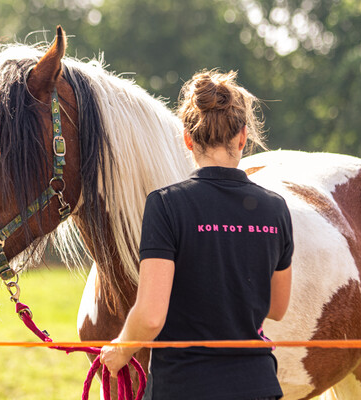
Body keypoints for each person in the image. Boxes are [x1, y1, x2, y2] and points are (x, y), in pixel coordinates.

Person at [100, 69, 293, 400]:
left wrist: (120, 350)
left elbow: (149, 316)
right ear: (243, 137)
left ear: (187, 139)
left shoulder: (165, 205)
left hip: (184, 387)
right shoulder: (276, 208)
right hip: (258, 386)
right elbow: (277, 308)